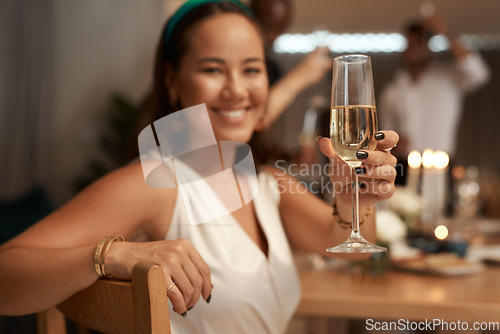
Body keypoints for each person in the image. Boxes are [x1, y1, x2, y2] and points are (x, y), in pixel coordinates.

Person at [0, 1, 398, 333]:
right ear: (172, 82)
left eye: (251, 70)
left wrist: (353, 198)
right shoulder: (157, 184)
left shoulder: (266, 182)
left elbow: (348, 248)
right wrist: (112, 255)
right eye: (212, 69)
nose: (237, 90)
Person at [380, 12, 490, 162]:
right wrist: (395, 145)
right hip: (404, 164)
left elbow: (479, 73)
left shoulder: (448, 79)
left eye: (417, 44)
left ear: (429, 47)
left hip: (442, 163)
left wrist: (445, 33)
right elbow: (386, 131)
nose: (412, 50)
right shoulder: (392, 90)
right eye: (409, 44)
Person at [249, 0, 331, 129]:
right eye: (268, 27)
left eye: (280, 31)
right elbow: (257, 118)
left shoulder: (271, 68)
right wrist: (302, 75)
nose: (274, 38)